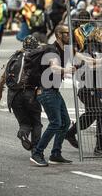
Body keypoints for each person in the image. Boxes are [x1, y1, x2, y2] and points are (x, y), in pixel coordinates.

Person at [30, 25, 76, 167]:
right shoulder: (52, 49)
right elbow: (53, 66)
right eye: (66, 33)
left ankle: (55, 154)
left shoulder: (63, 49)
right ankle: (37, 153)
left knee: (65, 122)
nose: (69, 35)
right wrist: (65, 69)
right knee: (56, 123)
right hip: (46, 91)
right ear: (58, 35)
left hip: (53, 91)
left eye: (69, 33)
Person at [66, 27, 102, 155]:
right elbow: (94, 64)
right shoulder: (90, 47)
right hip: (87, 89)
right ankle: (99, 147)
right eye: (101, 35)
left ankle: (69, 133)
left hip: (98, 86)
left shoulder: (101, 48)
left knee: (90, 117)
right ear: (95, 35)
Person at [0, 35, 43, 152]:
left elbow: (3, 78)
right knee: (36, 123)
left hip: (13, 96)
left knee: (24, 123)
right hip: (30, 94)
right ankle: (36, 150)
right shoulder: (37, 57)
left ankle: (23, 133)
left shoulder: (14, 57)